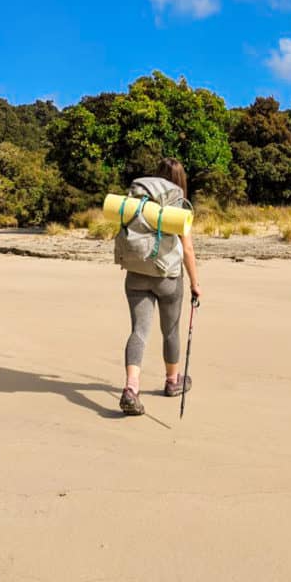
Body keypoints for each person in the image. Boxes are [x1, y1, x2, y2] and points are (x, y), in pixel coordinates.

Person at [119, 158, 201, 416]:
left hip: (136, 272)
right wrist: (196, 284)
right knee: (170, 331)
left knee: (139, 331)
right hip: (167, 276)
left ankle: (131, 389)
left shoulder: (139, 202)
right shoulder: (177, 206)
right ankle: (173, 381)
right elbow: (187, 249)